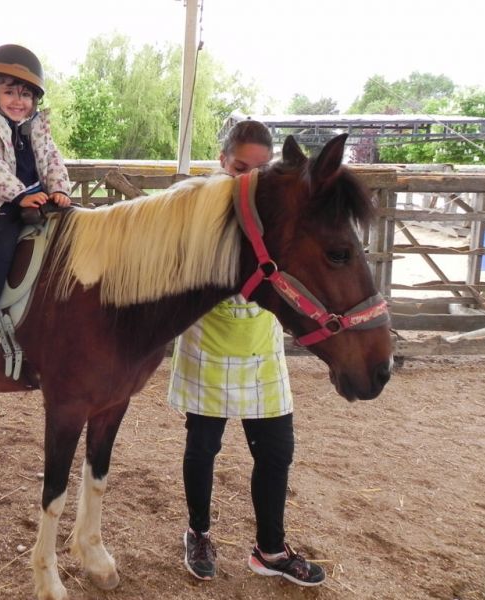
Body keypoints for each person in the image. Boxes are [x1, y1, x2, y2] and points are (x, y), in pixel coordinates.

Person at [168, 119, 326, 586]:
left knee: (276, 450)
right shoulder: (196, 203)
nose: (249, 179)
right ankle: (198, 533)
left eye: (260, 170)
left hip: (261, 348)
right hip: (208, 343)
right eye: (240, 168)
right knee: (203, 447)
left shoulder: (279, 208)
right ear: (222, 160)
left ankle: (270, 550)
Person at [0, 44, 71, 347]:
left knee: (71, 229)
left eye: (26, 94)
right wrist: (18, 195)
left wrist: (59, 189)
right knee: (1, 240)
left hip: (35, 194)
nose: (18, 101)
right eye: (9, 92)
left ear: (35, 99)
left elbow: (52, 159)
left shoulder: (37, 124)